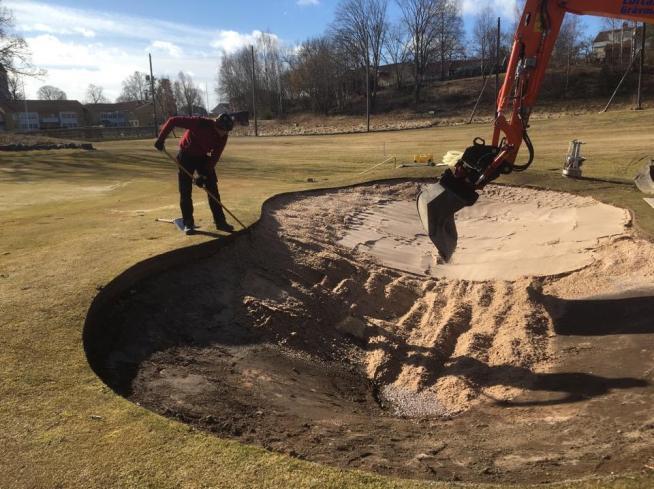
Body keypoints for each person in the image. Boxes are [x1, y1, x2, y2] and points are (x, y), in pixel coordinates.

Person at [154, 113, 235, 235]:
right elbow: (173, 121)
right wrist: (161, 139)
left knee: (212, 187)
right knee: (185, 190)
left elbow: (214, 157)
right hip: (186, 155)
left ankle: (220, 222)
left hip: (203, 157)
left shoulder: (223, 136)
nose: (224, 134)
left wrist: (203, 176)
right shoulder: (200, 123)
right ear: (217, 125)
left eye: (227, 131)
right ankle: (188, 224)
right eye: (222, 130)